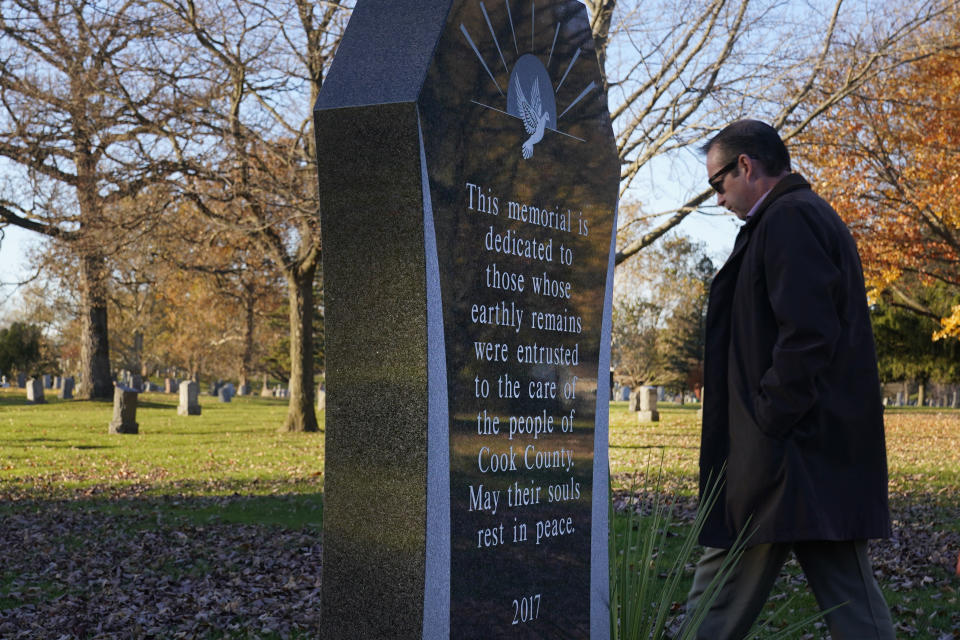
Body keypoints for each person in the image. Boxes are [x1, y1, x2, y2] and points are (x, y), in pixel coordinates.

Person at [686, 120, 895, 639]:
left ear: (747, 166)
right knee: (852, 601)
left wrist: (767, 420)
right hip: (807, 455)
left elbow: (807, 337)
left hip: (786, 455)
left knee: (720, 589)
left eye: (718, 183)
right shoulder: (797, 216)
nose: (718, 198)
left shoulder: (789, 220)